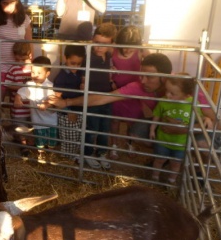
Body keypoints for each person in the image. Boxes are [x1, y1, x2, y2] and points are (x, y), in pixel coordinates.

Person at [48, 53, 174, 150]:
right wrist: (66, 102)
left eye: (150, 77)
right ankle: (163, 153)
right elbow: (102, 98)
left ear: (164, 78)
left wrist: (183, 129)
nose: (143, 81)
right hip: (161, 123)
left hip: (182, 125)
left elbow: (193, 121)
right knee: (135, 132)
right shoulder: (138, 86)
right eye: (141, 75)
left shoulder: (181, 88)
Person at [149, 73, 212, 184]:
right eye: (166, 90)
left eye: (172, 93)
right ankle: (154, 177)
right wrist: (152, 129)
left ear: (186, 95)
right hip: (163, 140)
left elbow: (200, 117)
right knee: (158, 160)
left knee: (176, 163)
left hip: (181, 143)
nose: (167, 95)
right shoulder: (164, 101)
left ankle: (171, 181)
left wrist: (206, 119)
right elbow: (157, 116)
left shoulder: (193, 103)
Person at [109, 25, 150, 159]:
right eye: (124, 46)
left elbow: (152, 64)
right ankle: (113, 146)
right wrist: (109, 69)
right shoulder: (113, 50)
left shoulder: (141, 51)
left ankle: (129, 143)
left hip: (134, 92)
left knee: (131, 121)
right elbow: (104, 62)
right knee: (114, 120)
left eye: (130, 48)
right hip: (116, 90)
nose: (126, 50)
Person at [81, 23, 116, 169]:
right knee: (91, 127)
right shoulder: (88, 57)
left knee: (104, 128)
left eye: (103, 44)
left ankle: (102, 153)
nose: (98, 47)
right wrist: (83, 86)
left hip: (107, 97)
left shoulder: (109, 56)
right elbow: (83, 77)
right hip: (92, 99)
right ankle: (87, 153)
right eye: (96, 43)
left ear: (111, 44)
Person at [14, 56, 57, 160]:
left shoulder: (51, 86)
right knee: (40, 140)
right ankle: (41, 154)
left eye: (39, 73)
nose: (35, 75)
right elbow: (19, 93)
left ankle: (51, 153)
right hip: (37, 121)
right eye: (33, 72)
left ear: (47, 74)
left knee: (52, 139)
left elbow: (54, 100)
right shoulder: (29, 85)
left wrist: (47, 104)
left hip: (51, 120)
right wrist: (18, 99)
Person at [53, 44, 85, 159]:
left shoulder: (79, 72)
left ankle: (75, 155)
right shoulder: (61, 77)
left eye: (79, 64)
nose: (76, 67)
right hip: (67, 113)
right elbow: (56, 98)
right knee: (68, 138)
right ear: (65, 58)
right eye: (73, 63)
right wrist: (68, 111)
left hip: (79, 109)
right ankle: (67, 158)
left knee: (78, 135)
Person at [4, 42, 32, 155]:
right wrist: (21, 87)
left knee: (29, 124)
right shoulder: (13, 69)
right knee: (19, 124)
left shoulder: (32, 68)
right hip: (18, 106)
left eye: (23, 58)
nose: (20, 61)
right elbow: (8, 84)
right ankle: (23, 146)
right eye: (18, 58)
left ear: (29, 54)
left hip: (29, 104)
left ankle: (26, 141)